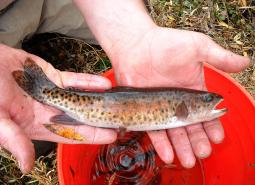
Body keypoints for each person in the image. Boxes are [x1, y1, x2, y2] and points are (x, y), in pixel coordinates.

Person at [0, 0, 250, 174]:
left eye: (206, 100)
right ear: (188, 106)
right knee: (38, 132)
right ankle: (42, 106)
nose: (212, 103)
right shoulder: (179, 110)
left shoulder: (181, 108)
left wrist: (133, 34)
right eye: (206, 102)